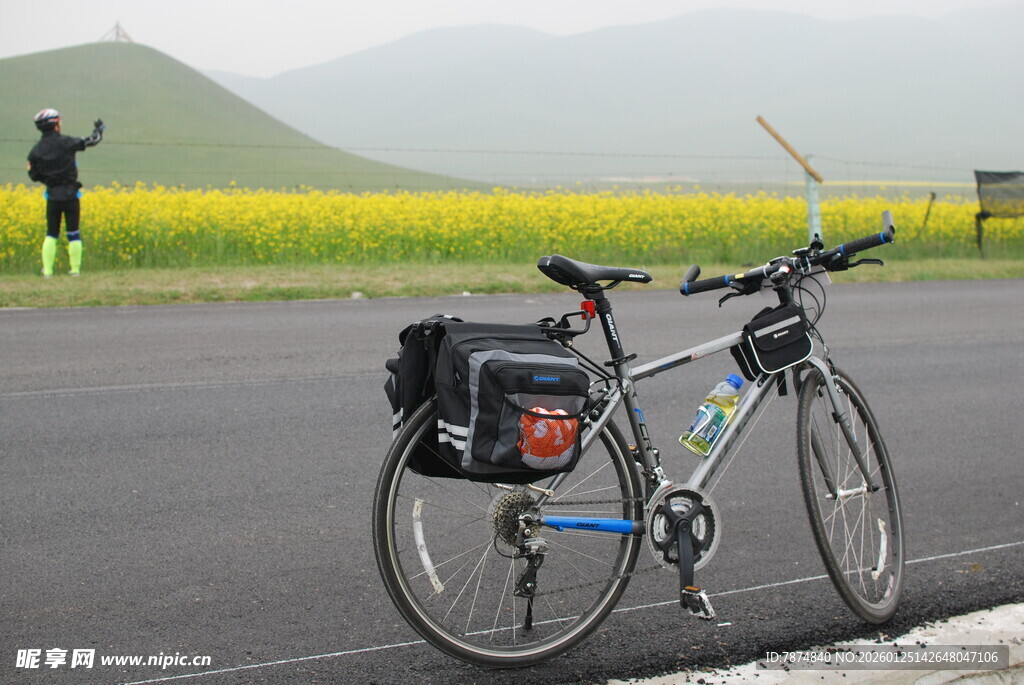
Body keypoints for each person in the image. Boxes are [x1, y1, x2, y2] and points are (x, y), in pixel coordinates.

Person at [26, 109, 105, 277]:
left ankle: (47, 271)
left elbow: (33, 174)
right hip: (71, 194)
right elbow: (93, 140)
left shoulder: (36, 150)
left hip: (52, 195)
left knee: (51, 233)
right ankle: (75, 270)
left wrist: (49, 180)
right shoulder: (67, 142)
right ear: (56, 124)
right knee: (73, 232)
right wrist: (99, 129)